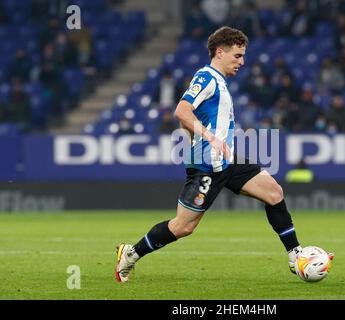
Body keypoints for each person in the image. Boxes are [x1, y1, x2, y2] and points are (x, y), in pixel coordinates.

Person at [115, 26, 332, 283]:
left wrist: (203, 137)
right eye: (237, 55)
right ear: (220, 52)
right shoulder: (206, 77)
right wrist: (208, 138)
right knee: (183, 227)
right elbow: (182, 110)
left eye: (243, 55)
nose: (242, 61)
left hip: (226, 160)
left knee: (274, 193)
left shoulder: (221, 82)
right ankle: (131, 253)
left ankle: (295, 256)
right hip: (206, 166)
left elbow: (190, 120)